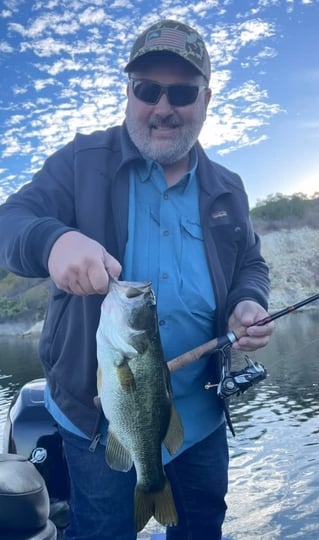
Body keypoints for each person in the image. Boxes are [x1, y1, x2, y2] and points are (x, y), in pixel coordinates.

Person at [0, 19, 274, 540]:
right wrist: (53, 241)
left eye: (182, 91)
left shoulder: (227, 188)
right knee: (101, 530)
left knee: (201, 531)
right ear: (128, 93)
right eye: (148, 89)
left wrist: (248, 301)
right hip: (96, 417)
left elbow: (250, 265)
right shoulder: (82, 162)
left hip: (201, 414)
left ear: (207, 99)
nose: (164, 107)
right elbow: (9, 222)